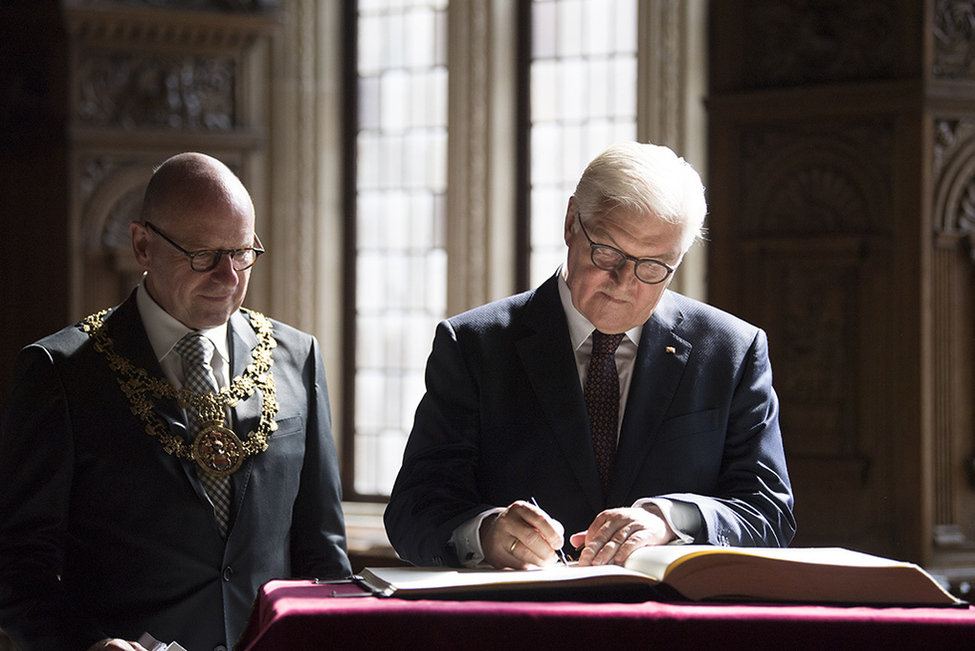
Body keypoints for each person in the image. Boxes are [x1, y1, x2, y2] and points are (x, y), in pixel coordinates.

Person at [384, 141, 795, 571]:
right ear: (570, 223)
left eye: (654, 266)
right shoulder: (473, 345)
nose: (624, 283)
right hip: (522, 624)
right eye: (608, 253)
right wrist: (485, 534)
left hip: (670, 626)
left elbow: (769, 513)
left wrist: (670, 521)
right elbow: (414, 509)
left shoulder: (732, 351)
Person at [0, 153, 351, 651]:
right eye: (203, 255)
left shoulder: (298, 356)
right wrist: (90, 646)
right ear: (142, 245)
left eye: (242, 253)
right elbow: (17, 563)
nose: (228, 277)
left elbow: (323, 554)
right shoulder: (61, 372)